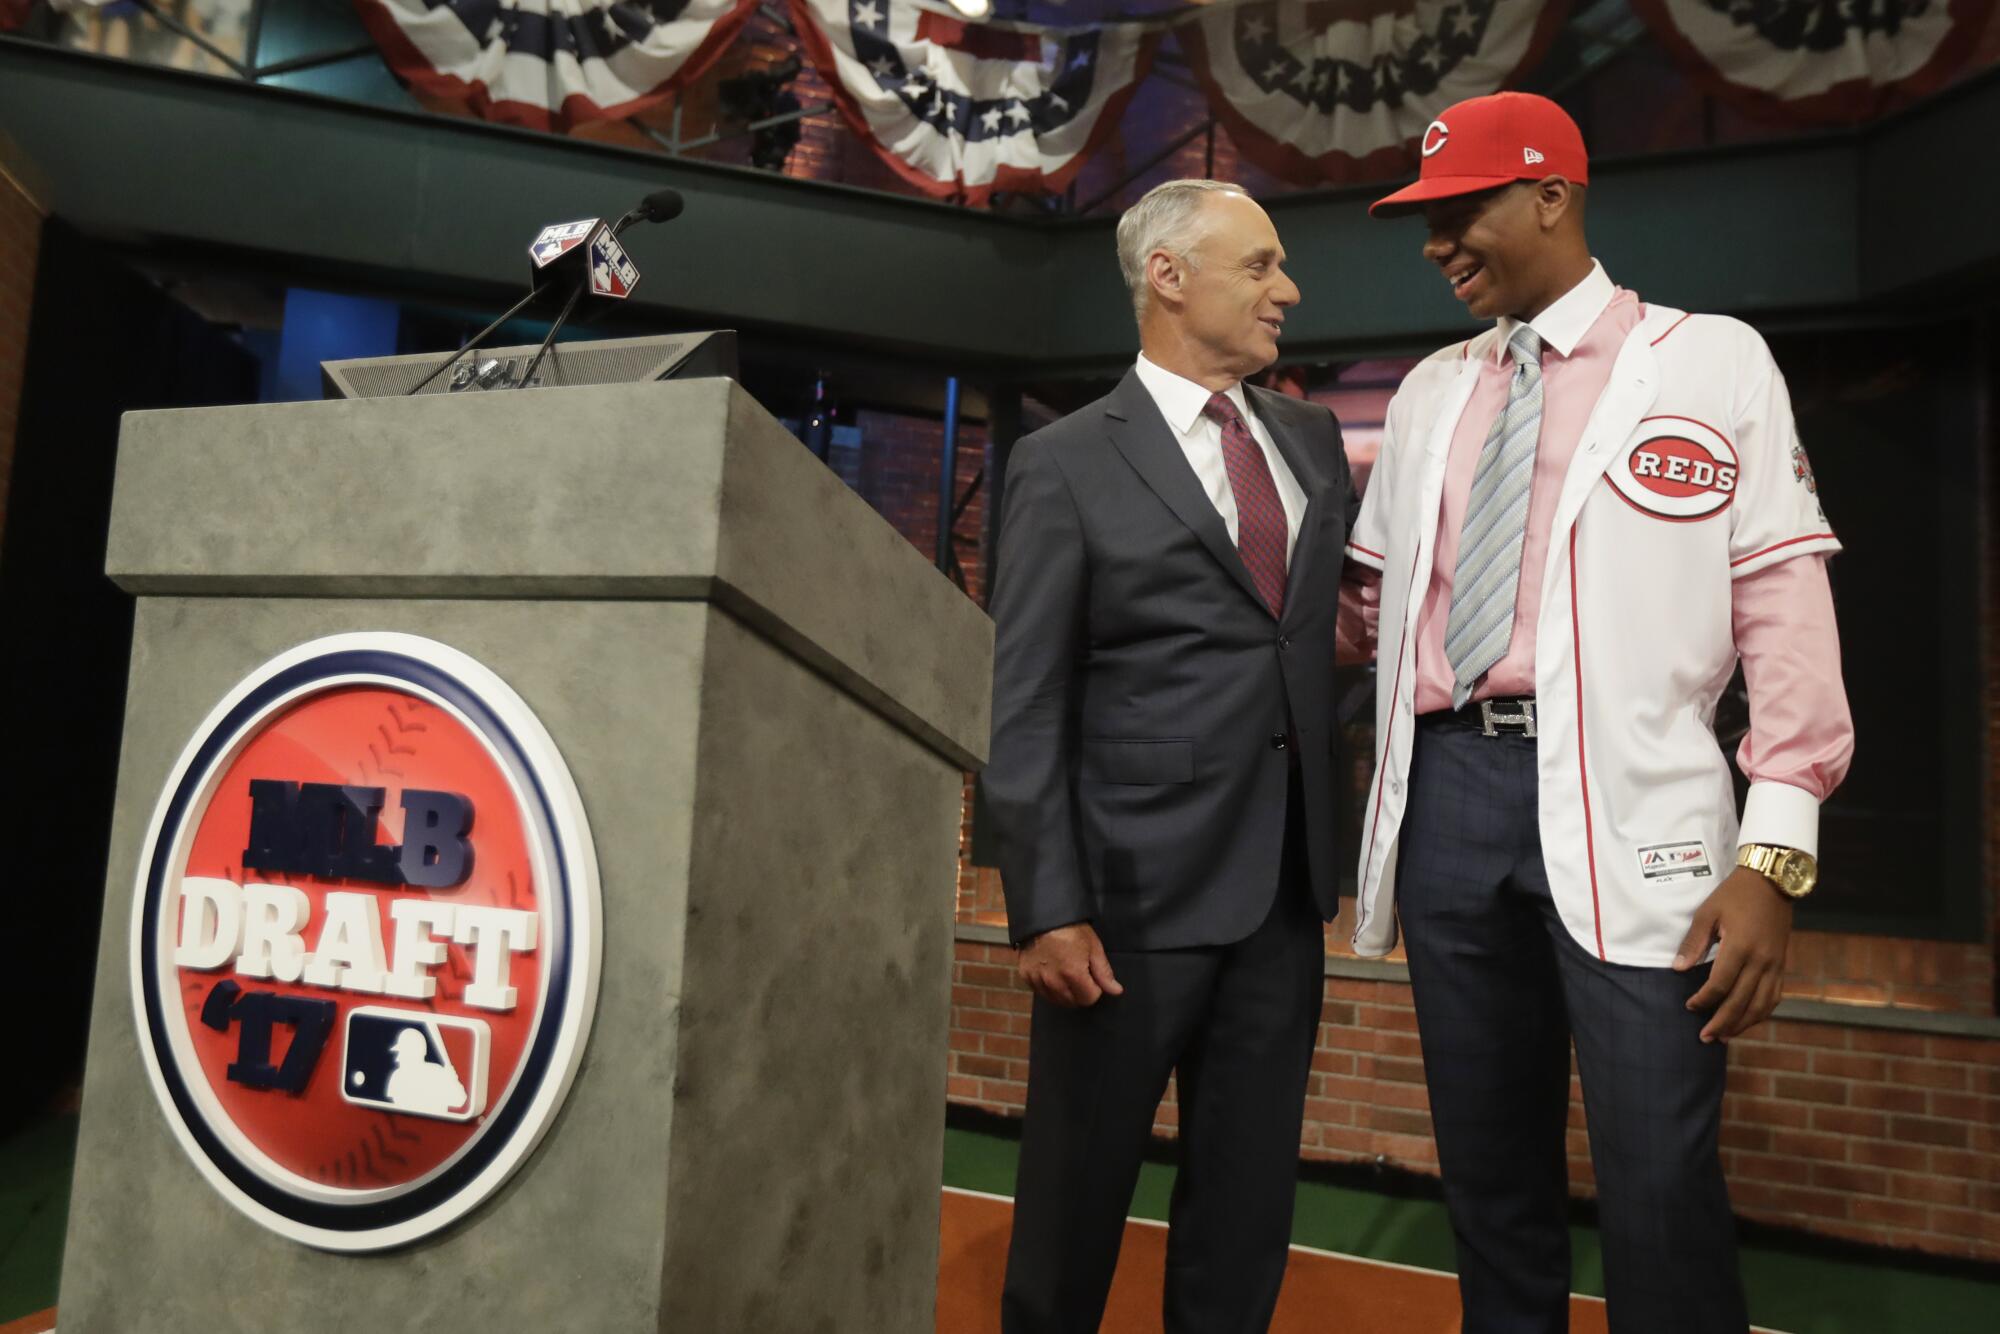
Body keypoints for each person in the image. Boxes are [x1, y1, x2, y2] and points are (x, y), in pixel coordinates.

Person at [1339, 92, 1854, 1333]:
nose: (1435, 244)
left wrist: (1772, 855)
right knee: (1488, 1173)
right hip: (1448, 796)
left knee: (1659, 1180)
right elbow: (1367, 612)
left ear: (1548, 195)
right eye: (1425, 220)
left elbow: (1783, 613)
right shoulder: (1426, 392)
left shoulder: (1709, 358)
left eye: (1458, 211)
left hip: (1644, 807)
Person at [984, 178, 1360, 1333]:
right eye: (1259, 265)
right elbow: (1026, 698)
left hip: (1282, 898)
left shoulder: (1309, 440)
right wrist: (1046, 904)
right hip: (1122, 907)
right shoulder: (1062, 461)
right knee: (1070, 1208)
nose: (1286, 289)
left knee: (1244, 1214)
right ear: (1167, 275)